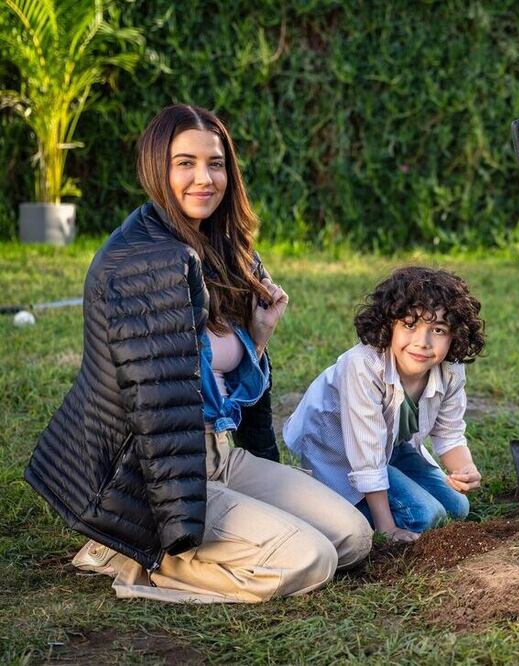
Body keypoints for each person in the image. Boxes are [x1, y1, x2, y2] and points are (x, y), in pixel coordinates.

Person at [23, 104, 373, 603]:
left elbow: (228, 380)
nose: (204, 178)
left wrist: (257, 336)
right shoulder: (144, 263)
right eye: (184, 163)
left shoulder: (225, 249)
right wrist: (176, 522)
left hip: (219, 455)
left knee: (352, 537)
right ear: (156, 168)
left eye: (215, 163)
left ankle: (207, 540)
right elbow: (159, 414)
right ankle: (130, 552)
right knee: (311, 561)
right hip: (152, 476)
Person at [283, 267, 485, 543]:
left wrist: (465, 469)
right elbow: (366, 457)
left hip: (391, 447)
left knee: (458, 507)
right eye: (410, 324)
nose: (423, 343)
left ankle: (384, 493)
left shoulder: (450, 369)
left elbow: (449, 433)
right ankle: (325, 506)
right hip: (339, 451)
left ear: (455, 335)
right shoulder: (363, 366)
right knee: (425, 515)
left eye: (438, 329)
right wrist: (386, 528)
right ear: (389, 324)